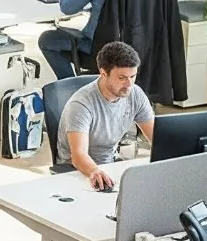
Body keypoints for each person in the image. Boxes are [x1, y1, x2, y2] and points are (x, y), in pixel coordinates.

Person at [61, 40, 155, 192]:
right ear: (103, 73)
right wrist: (94, 171)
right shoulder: (81, 104)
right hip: (77, 171)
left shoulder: (135, 94)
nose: (129, 84)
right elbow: (78, 155)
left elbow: (156, 138)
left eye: (133, 76)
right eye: (122, 78)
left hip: (110, 164)